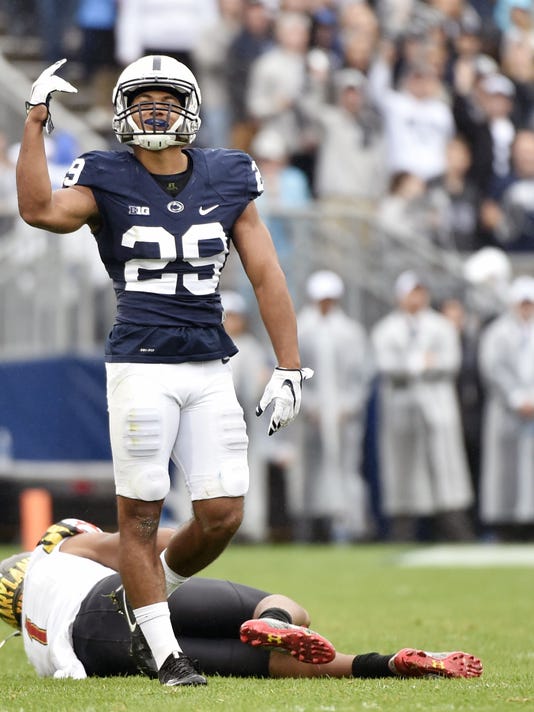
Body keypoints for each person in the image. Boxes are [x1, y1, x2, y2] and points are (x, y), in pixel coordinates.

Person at [16, 56, 312, 687]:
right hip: (141, 363)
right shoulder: (106, 175)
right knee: (141, 518)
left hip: (209, 364)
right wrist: (36, 121)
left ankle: (141, 600)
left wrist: (290, 365)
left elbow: (266, 273)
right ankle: (163, 650)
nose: (154, 109)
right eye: (141, 100)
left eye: (165, 99)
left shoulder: (229, 172)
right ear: (126, 111)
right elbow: (39, 209)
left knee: (222, 515)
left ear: (190, 108)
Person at [0, 518, 484, 681]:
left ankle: (386, 665)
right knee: (279, 603)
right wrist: (199, 537)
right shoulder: (58, 550)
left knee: (262, 665)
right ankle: (274, 619)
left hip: (97, 650)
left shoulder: (33, 643)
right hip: (111, 599)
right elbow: (138, 544)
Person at [371, 271, 475, 542]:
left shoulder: (441, 326)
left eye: (420, 291)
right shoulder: (386, 329)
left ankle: (455, 529)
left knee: (446, 468)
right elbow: (386, 366)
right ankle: (402, 531)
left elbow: (450, 362)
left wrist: (411, 364)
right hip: (402, 410)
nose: (416, 298)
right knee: (404, 472)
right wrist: (420, 362)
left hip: (437, 408)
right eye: (411, 292)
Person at [293, 270, 375, 543]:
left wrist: (349, 405)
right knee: (310, 471)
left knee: (346, 468)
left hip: (344, 415)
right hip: (311, 416)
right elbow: (293, 373)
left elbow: (362, 375)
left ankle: (349, 526)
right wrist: (309, 406)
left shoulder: (351, 332)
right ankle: (311, 528)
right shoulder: (300, 330)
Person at [478, 276, 534, 541]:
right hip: (507, 410)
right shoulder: (497, 332)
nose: (526, 308)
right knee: (505, 471)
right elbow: (492, 368)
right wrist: (515, 397)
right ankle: (506, 526)